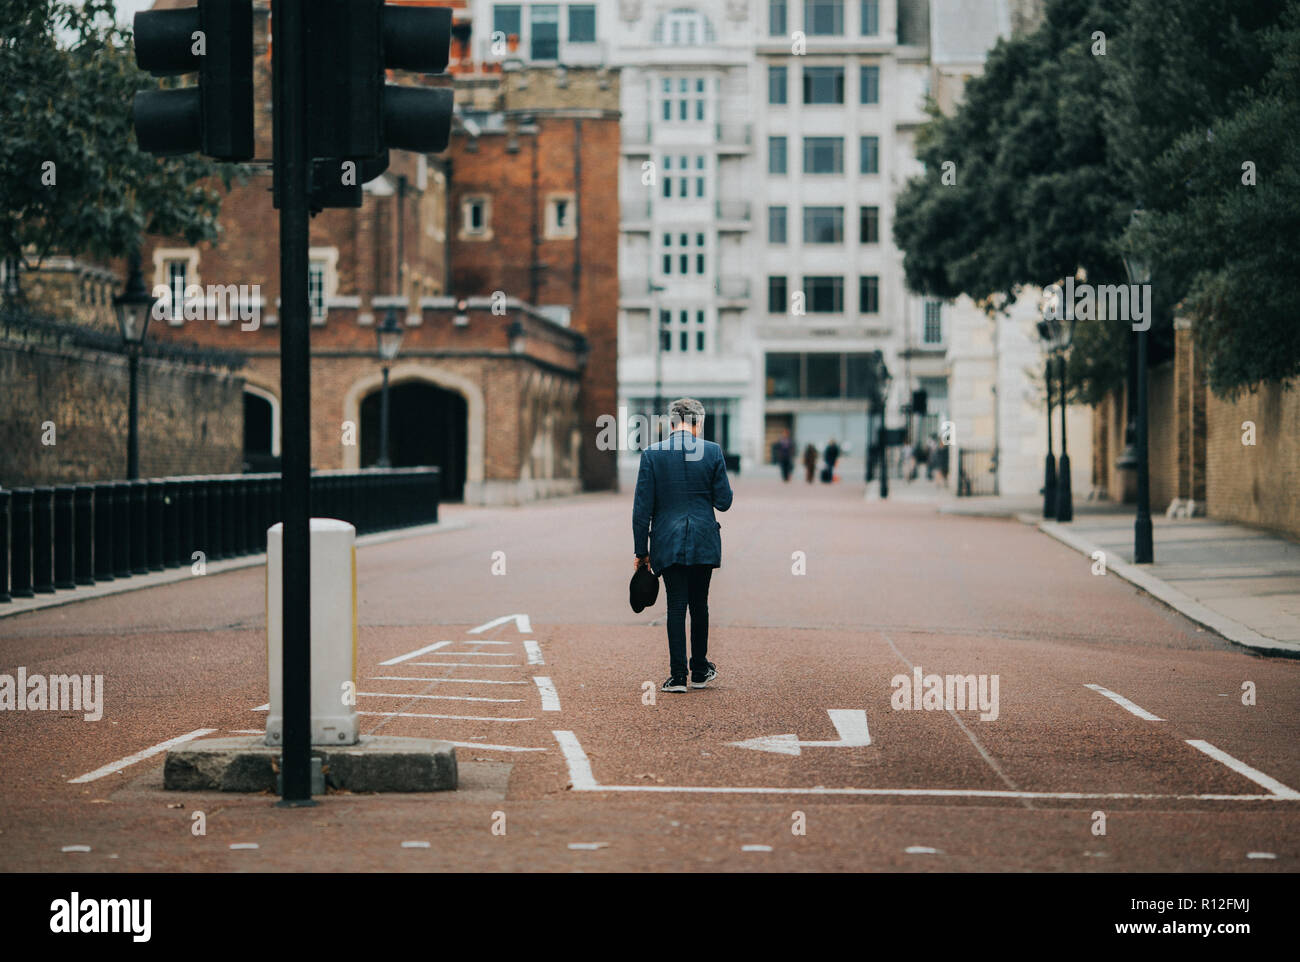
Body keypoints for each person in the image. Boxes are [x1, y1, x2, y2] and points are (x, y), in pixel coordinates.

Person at [632, 398, 733, 693]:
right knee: (699, 605)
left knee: (675, 606)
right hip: (703, 538)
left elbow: (642, 511)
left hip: (667, 540)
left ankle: (677, 677)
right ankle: (699, 669)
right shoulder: (712, 451)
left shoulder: (652, 454)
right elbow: (724, 502)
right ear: (698, 424)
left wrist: (641, 553)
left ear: (670, 423)